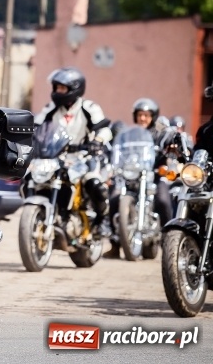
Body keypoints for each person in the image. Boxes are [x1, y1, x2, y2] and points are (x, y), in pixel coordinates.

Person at [34, 67, 112, 236]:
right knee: (32, 179)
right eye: (56, 87)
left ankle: (102, 220)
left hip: (83, 156)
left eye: (62, 88)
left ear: (75, 88)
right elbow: (36, 128)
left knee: (95, 184)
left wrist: (97, 141)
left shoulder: (89, 107)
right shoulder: (51, 108)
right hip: (56, 158)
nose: (58, 91)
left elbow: (105, 130)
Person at [105, 97, 173, 259]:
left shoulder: (160, 133)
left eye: (146, 115)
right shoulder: (130, 135)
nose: (142, 118)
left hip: (154, 176)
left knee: (163, 200)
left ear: (153, 117)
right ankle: (115, 244)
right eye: (140, 114)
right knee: (114, 199)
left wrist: (171, 142)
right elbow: (119, 149)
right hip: (131, 176)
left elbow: (169, 141)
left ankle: (169, 241)